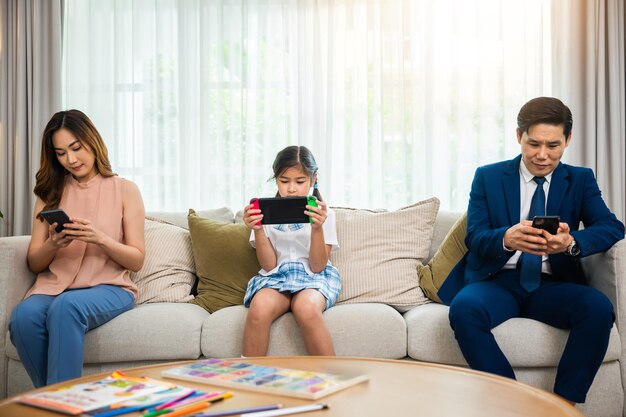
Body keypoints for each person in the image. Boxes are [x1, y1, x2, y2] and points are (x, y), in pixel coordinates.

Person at [438, 97, 625, 404]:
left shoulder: (580, 179)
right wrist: (506, 238)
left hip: (554, 286)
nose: (542, 155)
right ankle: (514, 402)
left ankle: (563, 404)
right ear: (518, 136)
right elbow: (476, 237)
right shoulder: (488, 176)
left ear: (567, 140)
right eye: (533, 143)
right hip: (498, 281)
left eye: (553, 145)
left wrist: (571, 242)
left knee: (599, 308)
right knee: (464, 308)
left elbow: (612, 226)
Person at [9, 109, 145, 387]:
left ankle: (59, 405)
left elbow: (137, 260)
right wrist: (53, 243)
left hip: (110, 288)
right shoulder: (49, 194)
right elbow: (35, 263)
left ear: (92, 142)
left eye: (76, 148)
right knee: (23, 316)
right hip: (53, 286)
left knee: (66, 307)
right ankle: (58, 402)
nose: (70, 159)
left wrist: (100, 238)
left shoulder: (125, 189)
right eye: (60, 153)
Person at [242, 145, 341, 356]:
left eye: (300, 181)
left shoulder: (326, 214)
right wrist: (258, 230)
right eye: (284, 181)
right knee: (259, 307)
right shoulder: (265, 213)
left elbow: (317, 266)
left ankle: (332, 375)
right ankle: (247, 376)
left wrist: (317, 228)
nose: (292, 189)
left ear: (314, 179)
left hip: (313, 278)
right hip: (277, 276)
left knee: (305, 308)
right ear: (276, 179)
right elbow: (269, 265)